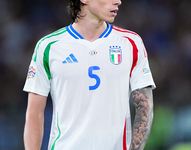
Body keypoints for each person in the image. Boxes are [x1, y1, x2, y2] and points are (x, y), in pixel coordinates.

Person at [23, 0, 156, 150]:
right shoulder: (48, 46)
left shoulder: (131, 43)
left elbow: (145, 106)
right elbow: (35, 113)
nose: (118, 1)